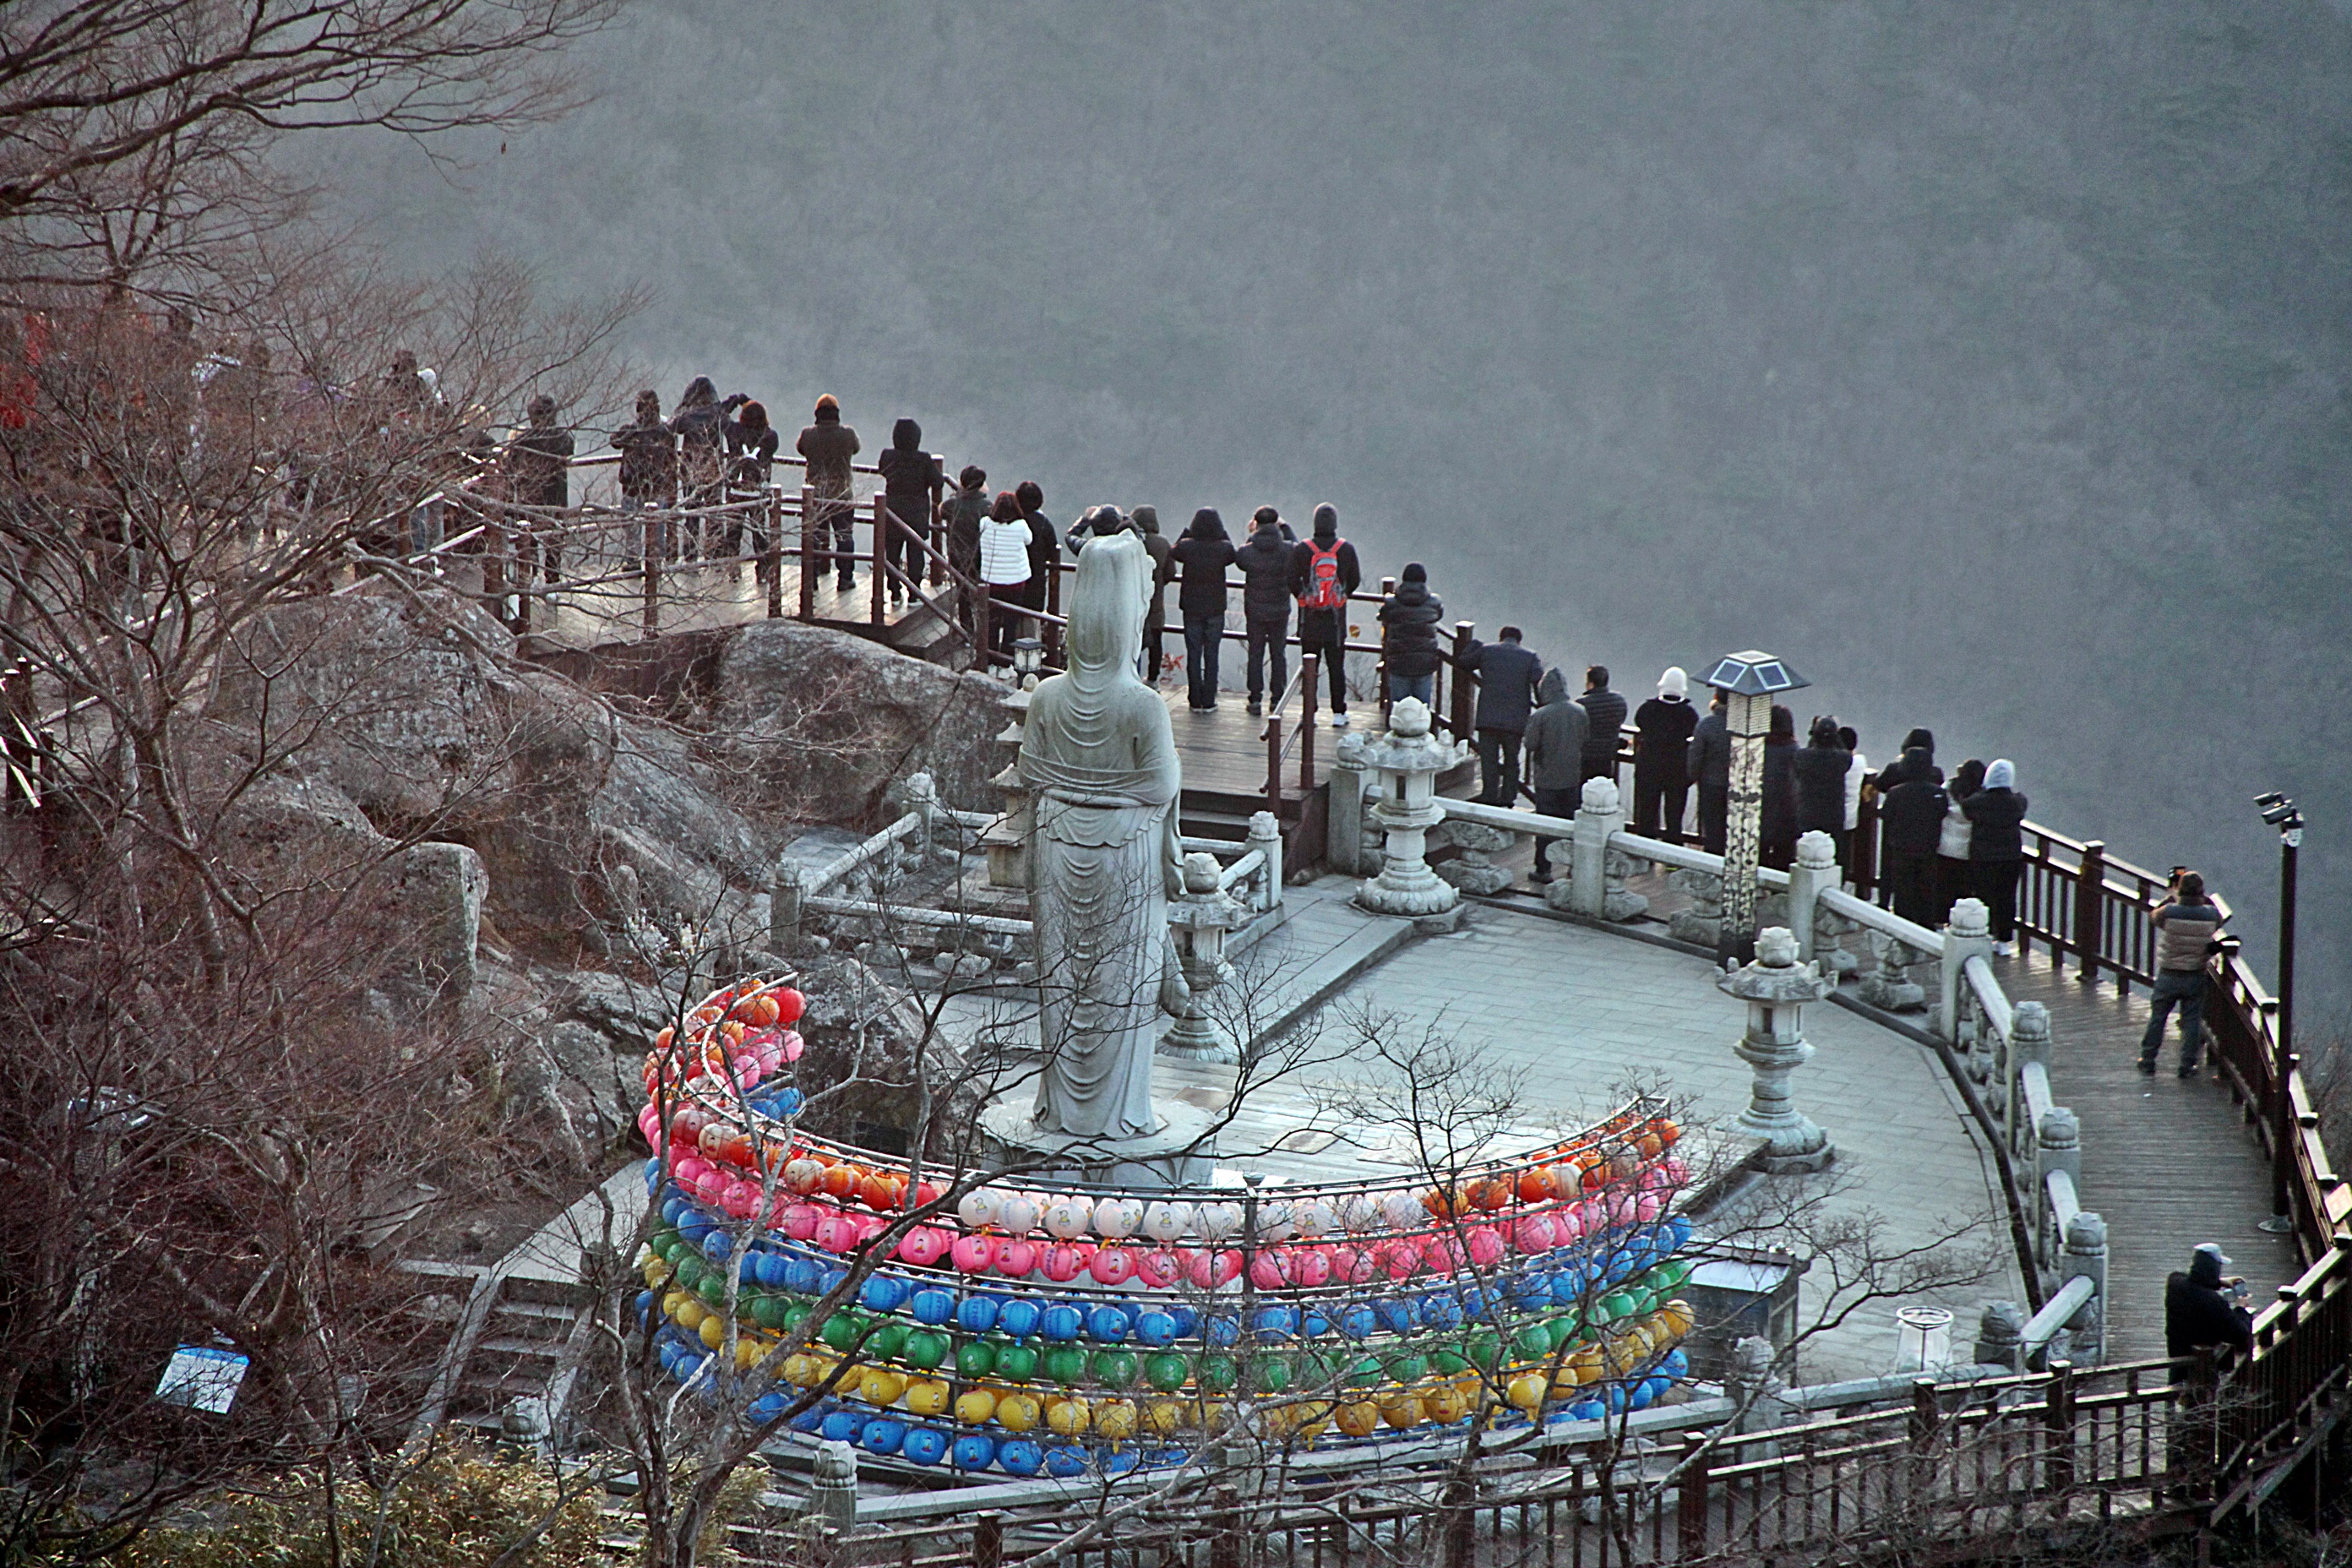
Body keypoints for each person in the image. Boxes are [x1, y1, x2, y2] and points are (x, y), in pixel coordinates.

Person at [2142, 871, 2227, 1076]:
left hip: (2169, 973)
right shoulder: (2211, 914)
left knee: (2158, 1017)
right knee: (2192, 1021)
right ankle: (2187, 1065)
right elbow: (2220, 919)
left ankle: (2148, 1058)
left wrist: (2172, 897)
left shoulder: (2169, 911)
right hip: (2194, 974)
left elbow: (2154, 916)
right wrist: (2205, 901)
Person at [1288, 504, 1360, 727]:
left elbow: (1290, 577)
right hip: (1336, 621)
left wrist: (1303, 597)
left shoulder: (1302, 549)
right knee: (1336, 667)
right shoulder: (1345, 549)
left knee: (1310, 668)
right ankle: (1339, 713)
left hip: (1309, 620)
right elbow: (1355, 579)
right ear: (1335, 524)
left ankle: (1309, 712)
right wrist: (1342, 595)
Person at [1458, 626, 1544, 806]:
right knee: (1512, 760)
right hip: (1515, 720)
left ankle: (1489, 795)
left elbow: (1464, 663)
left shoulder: (1487, 651)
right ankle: (1508, 797)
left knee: (1489, 759)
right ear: (1519, 640)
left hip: (1488, 717)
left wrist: (1472, 644)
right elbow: (1539, 683)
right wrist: (1542, 707)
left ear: (1501, 638)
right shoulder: (1530, 656)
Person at [1523, 667, 1588, 881]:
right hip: (1572, 775)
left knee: (1546, 826)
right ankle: (1573, 867)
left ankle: (1544, 869)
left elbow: (1531, 744)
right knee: (1572, 824)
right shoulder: (1579, 711)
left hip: (1547, 778)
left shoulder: (1541, 715)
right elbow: (1584, 738)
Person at [1876, 739, 1948, 927]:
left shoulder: (1895, 793)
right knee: (1926, 891)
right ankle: (1926, 927)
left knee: (1903, 892)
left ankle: (1903, 929)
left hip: (1901, 849)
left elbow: (1887, 816)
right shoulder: (1938, 793)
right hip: (1928, 849)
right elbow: (1941, 814)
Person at [1169, 508, 1236, 710]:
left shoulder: (1187, 547)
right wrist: (1222, 532)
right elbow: (1233, 553)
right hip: (1215, 608)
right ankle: (1209, 700)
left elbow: (1173, 550)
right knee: (1212, 653)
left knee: (1194, 652)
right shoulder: (1223, 548)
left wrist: (1188, 532)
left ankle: (1194, 698)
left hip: (1192, 608)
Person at [504, 393, 574, 584]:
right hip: (556, 495)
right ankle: (553, 578)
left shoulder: (524, 440)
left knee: (529, 538)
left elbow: (510, 466)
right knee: (554, 538)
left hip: (530, 496)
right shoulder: (563, 438)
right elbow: (569, 451)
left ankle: (531, 576)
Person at [1964, 758, 2028, 954]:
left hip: (1983, 857)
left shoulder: (1977, 802)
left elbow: (1966, 808)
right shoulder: (2018, 802)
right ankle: (2004, 941)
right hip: (2010, 858)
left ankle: (1983, 934)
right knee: (2007, 898)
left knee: (1983, 896)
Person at [796, 395, 860, 591]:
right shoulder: (848, 435)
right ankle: (845, 578)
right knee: (844, 537)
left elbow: (801, 449)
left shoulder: (808, 435)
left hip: (816, 495)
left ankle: (811, 579)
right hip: (842, 494)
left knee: (814, 537)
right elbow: (856, 449)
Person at [876, 416, 941, 607]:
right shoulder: (924, 459)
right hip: (917, 514)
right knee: (915, 554)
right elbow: (937, 481)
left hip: (892, 512)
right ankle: (914, 593)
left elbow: (882, 471)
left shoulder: (887, 456)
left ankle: (894, 593)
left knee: (892, 554)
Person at [1235, 509, 1294, 716]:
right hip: (1279, 609)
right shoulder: (1287, 550)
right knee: (1279, 653)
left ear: (1256, 524)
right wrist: (1284, 528)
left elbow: (1241, 557)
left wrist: (1254, 535)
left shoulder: (1247, 552)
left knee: (1256, 653)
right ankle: (1277, 699)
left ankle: (1255, 699)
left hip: (1255, 609)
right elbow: (1297, 548)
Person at [1631, 667, 1698, 841]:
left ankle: (1645, 855)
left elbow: (1641, 724)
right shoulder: (1689, 714)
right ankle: (1672, 859)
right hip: (1677, 770)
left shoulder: (1647, 710)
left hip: (1649, 768)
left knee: (1647, 815)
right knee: (1674, 818)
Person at [2164, 1243, 2253, 1363]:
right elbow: (2238, 1333)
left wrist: (2218, 1282)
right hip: (2205, 1367)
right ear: (2214, 1268)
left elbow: (2189, 1278)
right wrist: (2240, 1308)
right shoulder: (2213, 1301)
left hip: (2177, 1359)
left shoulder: (2175, 1284)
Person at [669, 376, 727, 553]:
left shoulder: (688, 417)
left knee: (691, 514)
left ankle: (690, 553)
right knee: (715, 513)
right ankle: (715, 553)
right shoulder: (720, 414)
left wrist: (685, 405)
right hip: (714, 470)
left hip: (691, 470)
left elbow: (673, 426)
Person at [721, 398, 779, 574]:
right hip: (757, 491)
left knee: (733, 532)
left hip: (735, 489)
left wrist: (736, 401)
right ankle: (763, 570)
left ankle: (733, 568)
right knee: (759, 532)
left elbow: (721, 416)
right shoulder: (770, 437)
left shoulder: (733, 431)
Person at [976, 490, 1034, 661]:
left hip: (991, 581)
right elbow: (1029, 540)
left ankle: (990, 659)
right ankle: (1005, 663)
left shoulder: (985, 523)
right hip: (1015, 583)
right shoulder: (1021, 525)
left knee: (992, 623)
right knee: (1011, 623)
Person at [1377, 564, 1444, 707]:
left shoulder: (1392, 603)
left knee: (1399, 709)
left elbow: (1383, 617)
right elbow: (1439, 615)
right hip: (1424, 662)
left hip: (1399, 661)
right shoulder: (1433, 603)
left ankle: (1397, 728)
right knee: (1421, 711)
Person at [1793, 716, 1854, 863]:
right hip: (1833, 814)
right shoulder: (1844, 758)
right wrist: (1835, 739)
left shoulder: (1802, 756)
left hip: (1807, 812)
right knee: (1833, 855)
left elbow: (1798, 770)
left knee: (1805, 854)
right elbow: (1844, 751)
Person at [941, 464, 989, 636]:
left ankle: (967, 631)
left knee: (963, 594)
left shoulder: (951, 505)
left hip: (957, 555)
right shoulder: (987, 507)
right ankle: (983, 637)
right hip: (979, 557)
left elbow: (941, 511)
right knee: (982, 595)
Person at [1937, 759, 1984, 920]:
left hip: (1945, 846)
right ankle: (1962, 923)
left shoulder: (1948, 789)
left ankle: (1940, 921)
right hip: (1968, 850)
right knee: (1963, 891)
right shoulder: (1981, 796)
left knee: (1944, 887)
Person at [1133, 505, 1173, 682]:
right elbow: (1171, 572)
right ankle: (1153, 679)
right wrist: (1159, 583)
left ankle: (1133, 676)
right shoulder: (1163, 543)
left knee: (1134, 640)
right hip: (1156, 602)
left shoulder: (1133, 542)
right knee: (1156, 642)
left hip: (1134, 600)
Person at [1690, 688, 1731, 854]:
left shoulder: (1707, 724)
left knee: (1712, 829)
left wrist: (1693, 776)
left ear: (1715, 698)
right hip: (1738, 785)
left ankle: (1712, 866)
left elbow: (1695, 754)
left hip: (1710, 784)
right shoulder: (1743, 727)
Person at [1761, 704, 1799, 871]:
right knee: (1784, 856)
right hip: (1787, 808)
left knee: (1759, 852)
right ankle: (1781, 892)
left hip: (1762, 806)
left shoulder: (1759, 748)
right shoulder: (1794, 750)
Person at [1576, 667, 1626, 788]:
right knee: (1603, 792)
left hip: (1586, 757)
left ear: (1590, 684)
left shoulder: (1581, 704)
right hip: (1608, 755)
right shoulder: (1619, 701)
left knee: (1585, 793)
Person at [1016, 481, 1058, 621]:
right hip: (1035, 581)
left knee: (1010, 618)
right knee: (1031, 623)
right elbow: (1053, 551)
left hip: (1012, 581)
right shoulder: (1044, 523)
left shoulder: (1011, 519)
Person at [1839, 725, 1869, 868]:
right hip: (1850, 819)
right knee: (1843, 858)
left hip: (1831, 817)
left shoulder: (1836, 761)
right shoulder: (1860, 761)